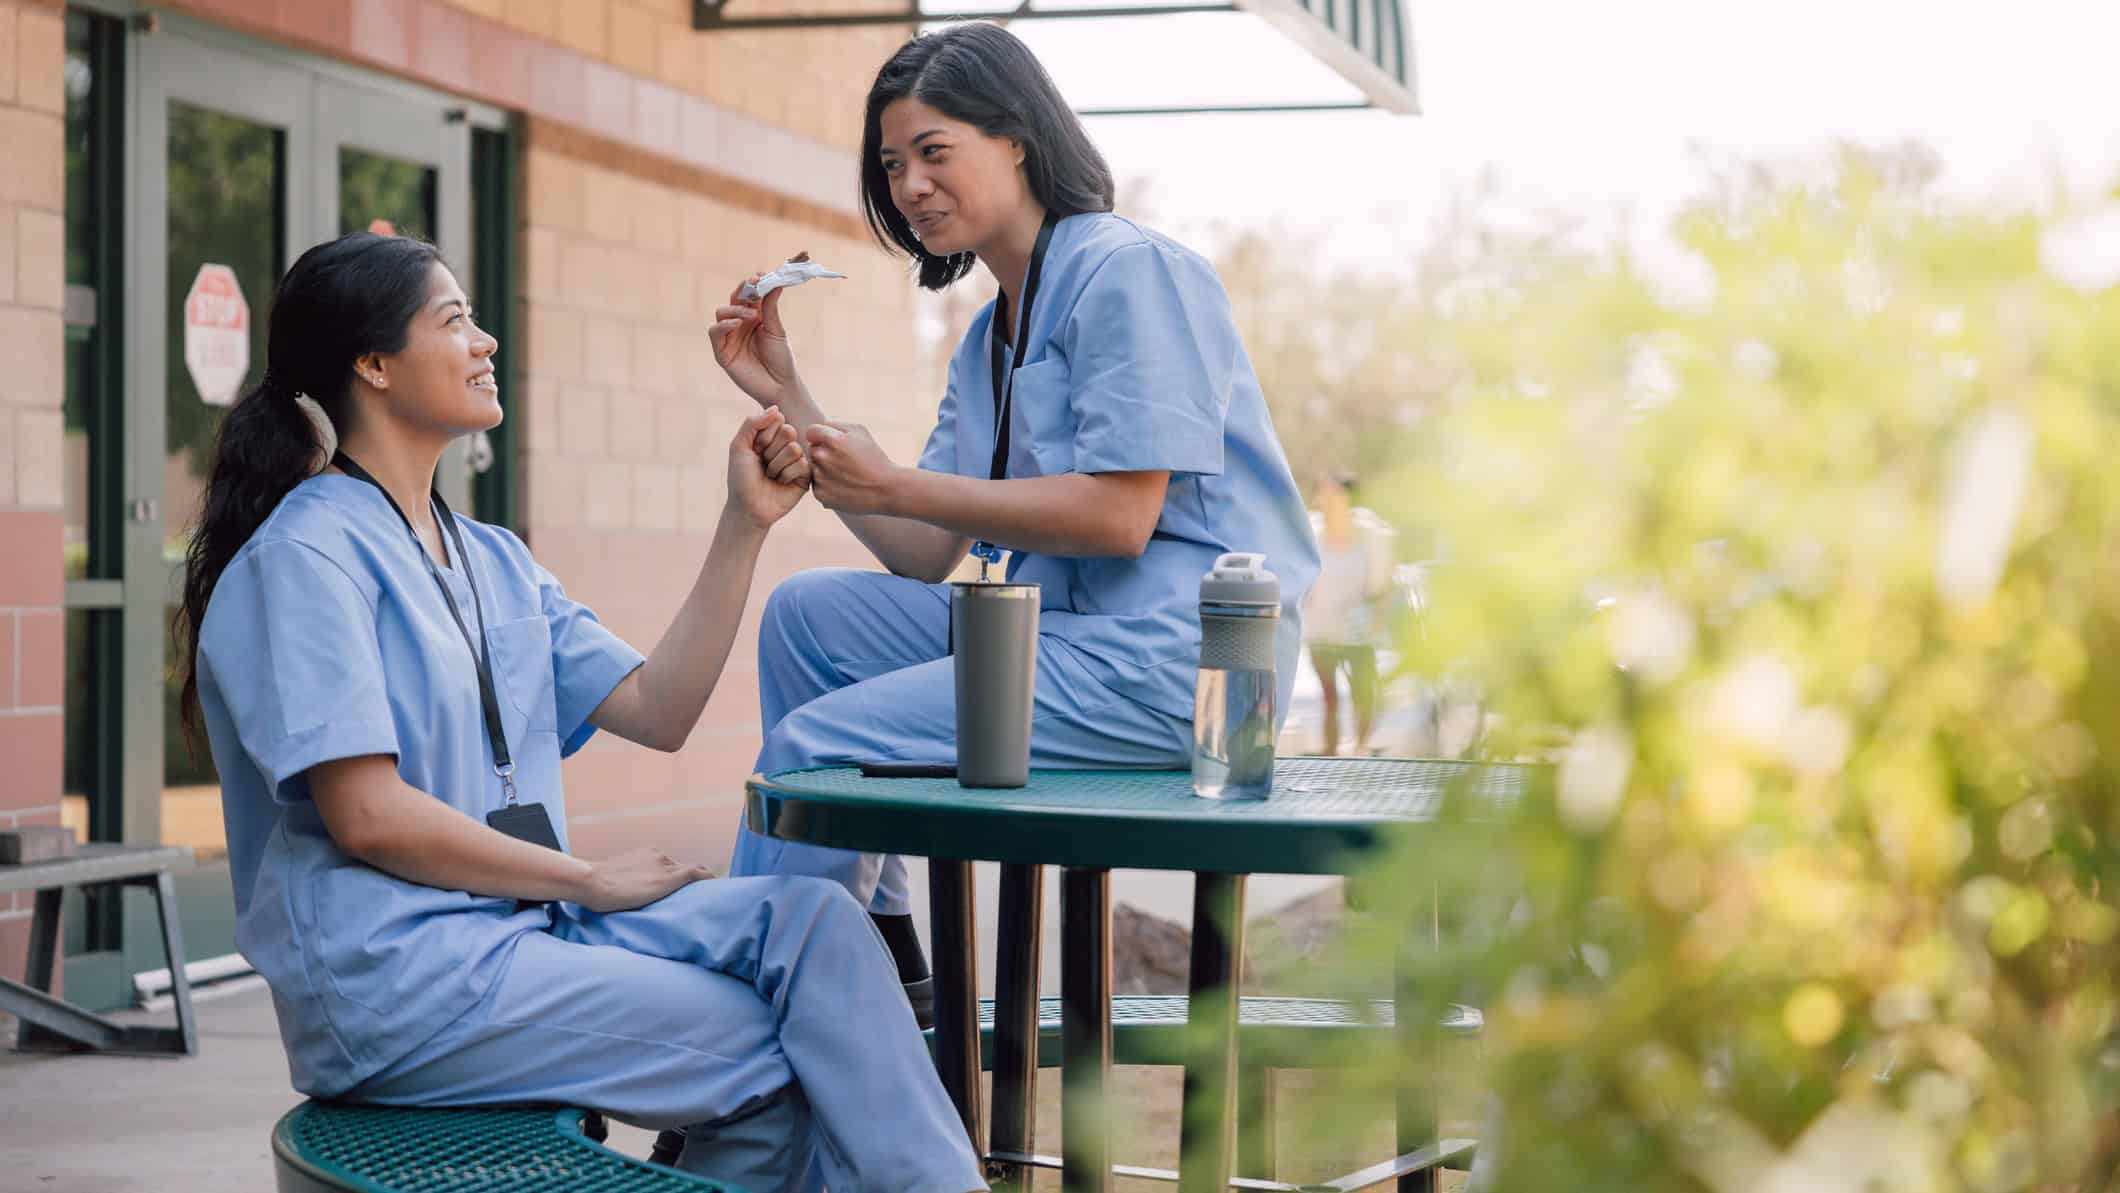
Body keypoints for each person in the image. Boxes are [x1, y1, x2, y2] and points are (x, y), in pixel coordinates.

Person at [176, 232, 986, 1193]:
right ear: (374, 363)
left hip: (525, 928)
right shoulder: (301, 562)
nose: (483, 342)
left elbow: (660, 704)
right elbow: (367, 814)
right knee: (773, 1051)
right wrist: (586, 876)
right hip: (402, 981)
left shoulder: (490, 556)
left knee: (815, 921)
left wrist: (746, 524)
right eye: (455, 321)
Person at [706, 22, 1321, 1009]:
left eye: (933, 152)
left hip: (1175, 665)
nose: (908, 186)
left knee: (812, 744)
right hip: (1062, 640)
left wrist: (893, 481)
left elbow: (1122, 518)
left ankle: (751, 1038)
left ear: (1018, 139)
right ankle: (883, 942)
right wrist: (790, 393)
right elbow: (920, 551)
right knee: (809, 615)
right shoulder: (992, 331)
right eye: (892, 163)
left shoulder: (1126, 271)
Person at [1303, 471, 1394, 755]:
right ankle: (1330, 751)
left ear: (1347, 497)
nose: (1323, 498)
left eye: (1331, 492)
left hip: (1358, 629)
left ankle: (1362, 748)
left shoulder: (1371, 537)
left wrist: (1378, 622)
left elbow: (1384, 585)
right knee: (1329, 696)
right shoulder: (1312, 535)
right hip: (1321, 630)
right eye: (1321, 492)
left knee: (1362, 692)